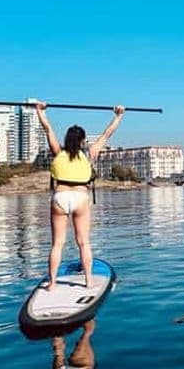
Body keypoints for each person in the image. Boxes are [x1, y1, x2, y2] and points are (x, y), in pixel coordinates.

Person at [36, 102, 125, 290]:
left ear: (67, 139)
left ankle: (52, 284)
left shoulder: (57, 152)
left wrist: (40, 111)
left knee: (57, 244)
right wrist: (118, 116)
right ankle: (89, 281)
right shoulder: (89, 153)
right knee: (83, 242)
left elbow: (47, 128)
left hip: (59, 198)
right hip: (80, 198)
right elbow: (107, 134)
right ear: (83, 141)